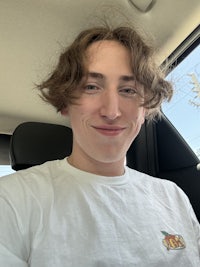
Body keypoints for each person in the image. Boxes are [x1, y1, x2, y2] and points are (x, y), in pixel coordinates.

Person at [0, 25, 200, 266]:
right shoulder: (11, 199)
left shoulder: (173, 196)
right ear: (65, 103)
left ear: (145, 108)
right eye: (91, 87)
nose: (111, 111)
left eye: (128, 90)